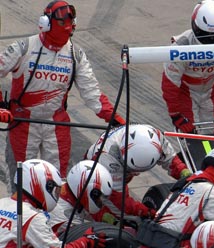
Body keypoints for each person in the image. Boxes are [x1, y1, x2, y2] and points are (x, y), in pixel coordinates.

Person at [0, 1, 124, 179]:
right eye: (61, 22)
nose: (67, 27)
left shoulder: (76, 55)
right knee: (19, 179)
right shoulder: (24, 47)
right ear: (45, 23)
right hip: (22, 121)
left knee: (59, 180)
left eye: (70, 23)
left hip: (57, 124)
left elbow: (92, 93)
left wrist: (115, 118)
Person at [84, 123, 191, 222]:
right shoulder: (107, 159)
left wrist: (186, 174)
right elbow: (120, 201)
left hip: (121, 165)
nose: (137, 173)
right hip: (96, 170)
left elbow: (171, 160)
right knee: (119, 215)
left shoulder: (155, 137)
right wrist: (147, 212)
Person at [162, 1, 214, 135]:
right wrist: (175, 114)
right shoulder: (181, 46)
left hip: (211, 91)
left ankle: (210, 147)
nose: (213, 40)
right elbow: (170, 83)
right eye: (207, 35)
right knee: (191, 136)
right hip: (186, 93)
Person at [47, 160, 113, 232]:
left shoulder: (62, 186)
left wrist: (103, 216)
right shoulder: (67, 218)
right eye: (98, 197)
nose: (100, 201)